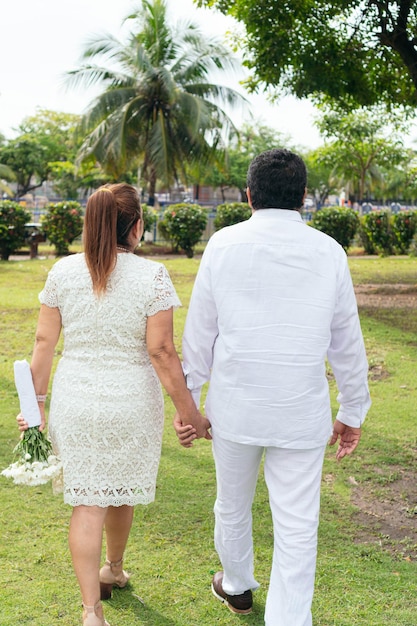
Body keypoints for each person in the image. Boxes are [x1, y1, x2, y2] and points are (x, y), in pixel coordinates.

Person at [174, 149, 371, 626]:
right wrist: (353, 408)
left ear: (248, 195)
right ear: (303, 196)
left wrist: (189, 404)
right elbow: (346, 338)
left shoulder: (222, 244)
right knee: (298, 525)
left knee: (232, 504)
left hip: (234, 408)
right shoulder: (328, 250)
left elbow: (200, 332)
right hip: (299, 411)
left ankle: (237, 585)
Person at [17, 183, 210, 626]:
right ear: (136, 226)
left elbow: (44, 343)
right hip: (131, 402)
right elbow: (162, 352)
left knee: (89, 501)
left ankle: (92, 610)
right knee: (120, 489)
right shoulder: (153, 276)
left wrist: (37, 405)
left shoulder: (62, 273)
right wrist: (190, 414)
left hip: (76, 400)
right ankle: (115, 569)